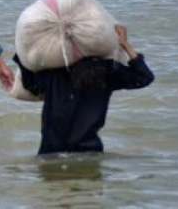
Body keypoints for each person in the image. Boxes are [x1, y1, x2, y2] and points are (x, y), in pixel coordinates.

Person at [14, 24, 154, 155]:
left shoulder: (54, 71)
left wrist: (23, 54)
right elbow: (144, 77)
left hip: (51, 152)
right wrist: (125, 44)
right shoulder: (107, 71)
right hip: (89, 152)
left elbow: (32, 86)